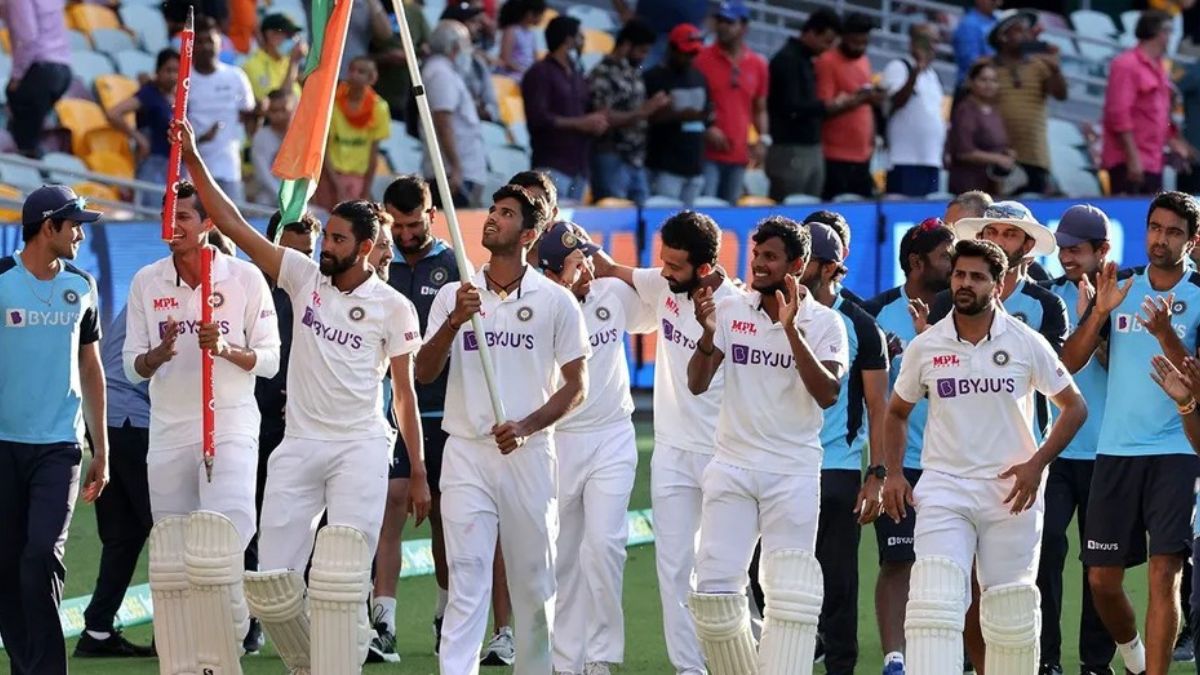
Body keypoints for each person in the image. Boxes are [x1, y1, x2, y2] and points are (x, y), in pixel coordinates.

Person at [174, 117, 427, 674]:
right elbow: (233, 224)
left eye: (337, 240)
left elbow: (405, 396)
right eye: (326, 237)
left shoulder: (394, 307)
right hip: (300, 444)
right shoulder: (303, 277)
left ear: (365, 248)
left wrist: (418, 473)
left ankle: (340, 661)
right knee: (271, 582)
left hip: (361, 446)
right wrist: (192, 154)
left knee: (344, 575)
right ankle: (310, 660)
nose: (325, 247)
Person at [881, 238, 1086, 675]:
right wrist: (893, 473)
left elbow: (1074, 407)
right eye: (959, 274)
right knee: (934, 602)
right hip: (944, 488)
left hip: (1011, 492)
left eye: (977, 277)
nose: (965, 283)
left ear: (998, 283)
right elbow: (896, 412)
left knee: (1010, 615)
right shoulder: (927, 345)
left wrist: (1037, 464)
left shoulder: (1025, 342)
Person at [415, 185, 590, 675]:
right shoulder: (455, 295)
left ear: (529, 234)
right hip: (466, 453)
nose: (493, 218)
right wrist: (455, 321)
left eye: (507, 213)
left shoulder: (556, 301)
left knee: (533, 583)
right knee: (466, 577)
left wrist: (527, 427)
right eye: (493, 210)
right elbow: (424, 373)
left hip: (528, 456)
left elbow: (577, 386)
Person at [123, 179, 281, 673]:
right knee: (174, 556)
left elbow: (271, 360)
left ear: (208, 222)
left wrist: (228, 350)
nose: (172, 226)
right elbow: (132, 366)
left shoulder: (244, 278)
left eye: (184, 217)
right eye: (167, 215)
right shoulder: (147, 280)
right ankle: (185, 659)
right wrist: (158, 354)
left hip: (229, 425)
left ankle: (226, 647)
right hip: (169, 431)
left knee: (222, 543)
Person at [686, 217, 847, 674]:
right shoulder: (730, 310)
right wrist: (707, 333)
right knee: (714, 595)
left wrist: (790, 329)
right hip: (732, 465)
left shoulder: (825, 322)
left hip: (792, 472)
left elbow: (828, 393)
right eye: (756, 255)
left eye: (770, 257)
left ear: (797, 265)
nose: (758, 264)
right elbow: (697, 383)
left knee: (788, 598)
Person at [591, 210, 742, 675]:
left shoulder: (736, 309)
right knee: (673, 567)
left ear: (704, 268)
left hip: (724, 454)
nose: (665, 271)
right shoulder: (664, 283)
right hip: (671, 452)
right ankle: (689, 668)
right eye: (663, 260)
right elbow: (612, 269)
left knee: (722, 572)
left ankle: (739, 659)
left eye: (675, 265)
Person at [1060, 191, 1200, 675]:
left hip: (1177, 449)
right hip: (1115, 448)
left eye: (1174, 232)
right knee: (1101, 580)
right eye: (1155, 228)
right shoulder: (1118, 286)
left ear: (1192, 240)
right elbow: (1069, 362)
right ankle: (1135, 658)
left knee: (1165, 573)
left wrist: (1164, 332)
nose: (1161, 239)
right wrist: (1099, 312)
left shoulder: (1199, 294)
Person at [0, 185, 108, 674]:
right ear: (49, 227)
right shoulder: (1, 279)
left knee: (41, 553)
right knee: (7, 564)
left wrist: (101, 448)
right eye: (75, 225)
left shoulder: (82, 285)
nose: (81, 235)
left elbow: (91, 367)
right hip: (3, 446)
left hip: (60, 447)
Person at [538, 222, 653, 675]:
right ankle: (566, 660)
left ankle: (600, 656)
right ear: (552, 272)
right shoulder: (540, 308)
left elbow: (661, 302)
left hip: (612, 435)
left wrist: (615, 267)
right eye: (575, 263)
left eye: (586, 258)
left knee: (605, 546)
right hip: (560, 438)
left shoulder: (611, 293)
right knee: (563, 554)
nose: (586, 269)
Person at [860, 218, 955, 674]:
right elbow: (868, 399)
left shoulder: (968, 309)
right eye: (945, 257)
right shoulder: (874, 315)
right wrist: (879, 468)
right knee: (898, 559)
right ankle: (895, 660)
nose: (954, 266)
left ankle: (955, 654)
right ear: (917, 263)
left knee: (957, 566)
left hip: (956, 464)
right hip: (902, 463)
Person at [802, 222, 890, 675]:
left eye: (805, 260)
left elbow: (879, 406)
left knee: (838, 582)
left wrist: (877, 474)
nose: (795, 268)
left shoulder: (861, 325)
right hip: (780, 462)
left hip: (836, 465)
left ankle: (840, 666)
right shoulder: (768, 312)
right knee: (763, 573)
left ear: (829, 268)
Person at [378, 175, 460, 656]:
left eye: (414, 225)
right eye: (397, 226)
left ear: (431, 215)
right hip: (389, 408)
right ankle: (383, 622)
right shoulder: (377, 263)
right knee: (390, 504)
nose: (406, 235)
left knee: (444, 517)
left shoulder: (454, 265)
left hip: (443, 411)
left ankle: (446, 615)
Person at [1038, 205, 1118, 675]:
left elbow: (1116, 364)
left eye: (1076, 249)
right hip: (1054, 448)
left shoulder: (1124, 295)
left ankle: (1096, 662)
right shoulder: (1050, 298)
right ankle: (1045, 659)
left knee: (1100, 565)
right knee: (1045, 549)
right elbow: (1059, 365)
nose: (1067, 257)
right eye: (1063, 248)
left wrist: (1098, 316)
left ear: (1101, 250)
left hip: (1108, 449)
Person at [244, 209, 321, 654]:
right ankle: (250, 619)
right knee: (249, 519)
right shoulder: (243, 285)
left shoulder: (319, 288)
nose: (300, 262)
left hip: (303, 423)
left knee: (304, 520)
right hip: (252, 420)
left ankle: (303, 615)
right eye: (292, 252)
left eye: (308, 252)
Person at [75, 306, 156, 659]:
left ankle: (97, 628)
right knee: (168, 531)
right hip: (137, 423)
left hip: (106, 422)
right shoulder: (164, 298)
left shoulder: (141, 296)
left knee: (123, 536)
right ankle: (173, 632)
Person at [1103, 11, 1194, 195]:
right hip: (1129, 162)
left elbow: (1160, 114)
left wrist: (1173, 142)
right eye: (1168, 31)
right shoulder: (1126, 65)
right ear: (1158, 33)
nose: (1170, 37)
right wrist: (1133, 157)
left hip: (1152, 161)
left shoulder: (1159, 67)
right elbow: (1118, 114)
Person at [522, 15, 609, 203]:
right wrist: (581, 123)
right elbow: (538, 118)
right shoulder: (540, 72)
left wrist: (595, 123)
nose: (583, 41)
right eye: (579, 36)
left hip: (579, 168)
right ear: (568, 40)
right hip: (552, 165)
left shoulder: (577, 74)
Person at [983, 11, 1068, 196]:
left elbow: (1061, 95)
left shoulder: (1040, 65)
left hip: (1034, 154)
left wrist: (1055, 69)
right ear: (1002, 36)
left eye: (1025, 31)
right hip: (997, 155)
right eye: (1017, 31)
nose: (1025, 35)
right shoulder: (985, 67)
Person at [694, 0, 770, 205]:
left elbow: (760, 108)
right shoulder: (701, 59)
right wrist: (707, 127)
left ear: (744, 27)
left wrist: (763, 139)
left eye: (729, 22)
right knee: (705, 211)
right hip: (707, 153)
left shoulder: (758, 64)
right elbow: (693, 103)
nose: (723, 26)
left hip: (739, 155)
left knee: (731, 212)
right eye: (720, 21)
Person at [588, 19, 670, 205]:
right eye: (641, 51)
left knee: (643, 212)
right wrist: (642, 112)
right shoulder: (603, 72)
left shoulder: (633, 72)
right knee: (614, 214)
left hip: (635, 158)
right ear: (625, 45)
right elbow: (602, 116)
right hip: (611, 155)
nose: (644, 57)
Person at [765, 9, 841, 202]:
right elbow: (791, 106)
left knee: (810, 207)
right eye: (826, 41)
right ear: (812, 33)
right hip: (790, 148)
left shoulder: (807, 61)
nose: (827, 48)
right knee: (789, 209)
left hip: (810, 146)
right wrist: (826, 106)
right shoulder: (787, 60)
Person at [187, 15, 258, 204]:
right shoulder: (186, 81)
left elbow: (249, 115)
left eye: (210, 41)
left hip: (229, 169)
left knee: (231, 221)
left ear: (220, 42)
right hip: (194, 170)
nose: (206, 47)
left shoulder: (236, 76)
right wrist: (200, 139)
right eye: (200, 42)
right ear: (192, 46)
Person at [815, 12, 886, 200]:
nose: (860, 47)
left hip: (863, 154)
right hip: (835, 155)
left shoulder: (863, 60)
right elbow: (826, 107)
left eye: (864, 43)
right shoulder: (828, 61)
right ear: (844, 37)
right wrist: (860, 99)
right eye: (855, 42)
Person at [643, 23, 712, 206]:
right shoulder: (654, 77)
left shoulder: (699, 77)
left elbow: (707, 112)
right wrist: (679, 115)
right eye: (686, 53)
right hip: (665, 164)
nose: (690, 58)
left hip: (694, 163)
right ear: (672, 49)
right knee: (665, 216)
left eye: (694, 53)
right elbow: (646, 118)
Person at [421, 20, 487, 208]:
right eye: (466, 43)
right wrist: (456, 168)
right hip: (453, 174)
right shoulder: (440, 73)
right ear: (454, 47)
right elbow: (443, 122)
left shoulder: (447, 71)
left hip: (461, 170)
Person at [105, 49, 180, 207]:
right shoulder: (149, 94)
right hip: (153, 165)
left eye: (176, 71)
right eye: (168, 71)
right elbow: (113, 113)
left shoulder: (179, 97)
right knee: (152, 213)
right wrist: (138, 138)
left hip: (176, 166)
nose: (172, 76)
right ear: (158, 71)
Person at [882, 24, 946, 198]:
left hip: (931, 159)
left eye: (935, 41)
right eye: (925, 40)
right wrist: (915, 72)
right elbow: (896, 102)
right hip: (904, 159)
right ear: (912, 43)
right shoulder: (899, 66)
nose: (931, 46)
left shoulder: (933, 75)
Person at [318, 55, 391, 208]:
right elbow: (323, 148)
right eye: (352, 70)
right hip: (329, 175)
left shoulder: (379, 108)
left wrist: (366, 189)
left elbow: (373, 153)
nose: (354, 75)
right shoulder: (332, 103)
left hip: (358, 177)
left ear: (372, 78)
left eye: (361, 72)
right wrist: (337, 184)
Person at [5, 0, 72, 158]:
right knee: (31, 133)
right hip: (62, 70)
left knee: (23, 141)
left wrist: (17, 75)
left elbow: (27, 38)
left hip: (40, 69)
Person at [947, 63, 1015, 197]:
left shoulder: (995, 111)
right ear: (971, 82)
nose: (989, 85)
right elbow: (964, 152)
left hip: (992, 185)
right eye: (983, 80)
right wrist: (997, 159)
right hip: (969, 188)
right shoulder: (965, 111)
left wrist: (1007, 153)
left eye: (994, 80)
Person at [240, 12, 306, 106]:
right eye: (289, 35)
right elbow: (277, 105)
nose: (294, 39)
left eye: (295, 35)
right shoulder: (251, 66)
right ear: (270, 35)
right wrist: (294, 63)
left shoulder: (286, 61)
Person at [250, 89, 297, 205]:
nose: (279, 115)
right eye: (274, 111)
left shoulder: (299, 137)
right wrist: (283, 198)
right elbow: (263, 176)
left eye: (283, 110)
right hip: (268, 200)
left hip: (295, 199)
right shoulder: (261, 137)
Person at [952, 0, 1001, 87]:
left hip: (992, 84)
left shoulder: (997, 22)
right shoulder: (969, 24)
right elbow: (971, 62)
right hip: (970, 87)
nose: (995, 2)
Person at [496, 0, 546, 78]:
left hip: (526, 74)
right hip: (512, 75)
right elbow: (505, 59)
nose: (541, 18)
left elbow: (534, 59)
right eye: (540, 14)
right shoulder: (511, 31)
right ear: (529, 14)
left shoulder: (531, 33)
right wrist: (524, 71)